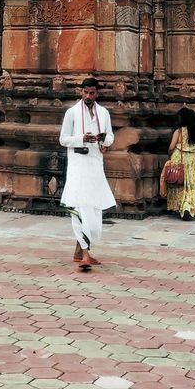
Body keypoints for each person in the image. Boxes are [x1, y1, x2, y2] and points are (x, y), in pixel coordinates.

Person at [59, 78, 115, 271]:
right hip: (78, 166)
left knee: (93, 207)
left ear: (96, 93)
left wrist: (103, 141)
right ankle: (84, 255)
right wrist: (81, 139)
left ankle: (80, 251)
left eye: (92, 93)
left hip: (95, 165)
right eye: (85, 93)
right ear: (80, 92)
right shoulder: (72, 113)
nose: (88, 96)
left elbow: (110, 136)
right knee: (80, 207)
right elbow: (63, 139)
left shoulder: (103, 113)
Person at [162, 106, 195, 219]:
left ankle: (180, 207)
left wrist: (169, 155)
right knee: (190, 184)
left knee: (179, 182)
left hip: (179, 157)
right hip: (191, 158)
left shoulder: (179, 130)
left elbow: (172, 146)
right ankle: (188, 208)